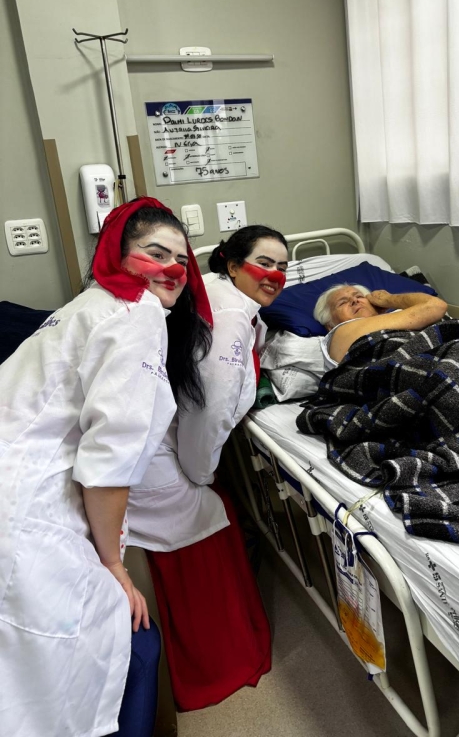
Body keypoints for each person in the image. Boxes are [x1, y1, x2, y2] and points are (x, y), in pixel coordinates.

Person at [0, 197, 212, 737]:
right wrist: (114, 566)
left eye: (182, 261)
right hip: (24, 510)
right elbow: (108, 465)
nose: (172, 269)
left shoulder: (86, 305)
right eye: (155, 253)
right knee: (116, 644)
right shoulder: (136, 315)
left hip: (17, 484)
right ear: (118, 254)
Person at [127, 224, 289, 711]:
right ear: (232, 265)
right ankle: (218, 664)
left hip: (160, 437)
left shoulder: (219, 293)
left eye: (283, 267)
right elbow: (211, 409)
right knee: (212, 527)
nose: (275, 275)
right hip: (167, 453)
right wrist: (202, 477)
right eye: (264, 263)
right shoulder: (232, 321)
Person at [314, 284, 448, 368]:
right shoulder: (341, 332)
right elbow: (436, 306)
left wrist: (384, 305)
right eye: (342, 303)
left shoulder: (399, 314)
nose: (354, 300)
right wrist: (388, 299)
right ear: (330, 325)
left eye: (359, 296)